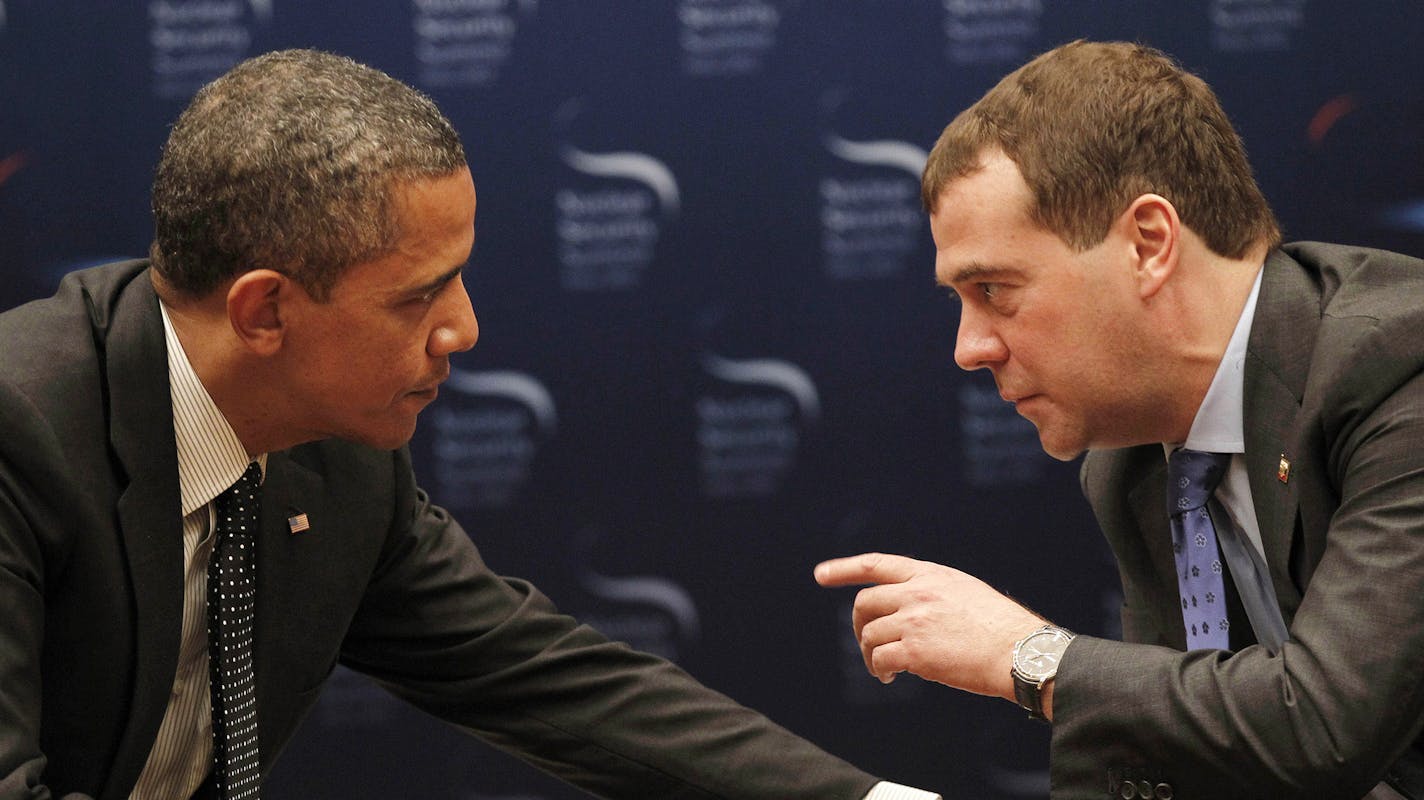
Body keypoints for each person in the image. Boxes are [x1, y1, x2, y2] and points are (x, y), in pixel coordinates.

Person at [0, 49, 938, 800]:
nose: (466, 329)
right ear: (264, 313)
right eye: (418, 297)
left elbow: (539, 676)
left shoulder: (335, 457)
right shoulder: (20, 433)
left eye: (458, 276)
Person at [815, 40, 1424, 800]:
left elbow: (1329, 727)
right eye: (958, 301)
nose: (969, 348)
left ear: (1148, 244)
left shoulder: (1402, 366)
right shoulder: (1134, 461)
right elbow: (1186, 755)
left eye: (996, 290)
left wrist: (1030, 656)